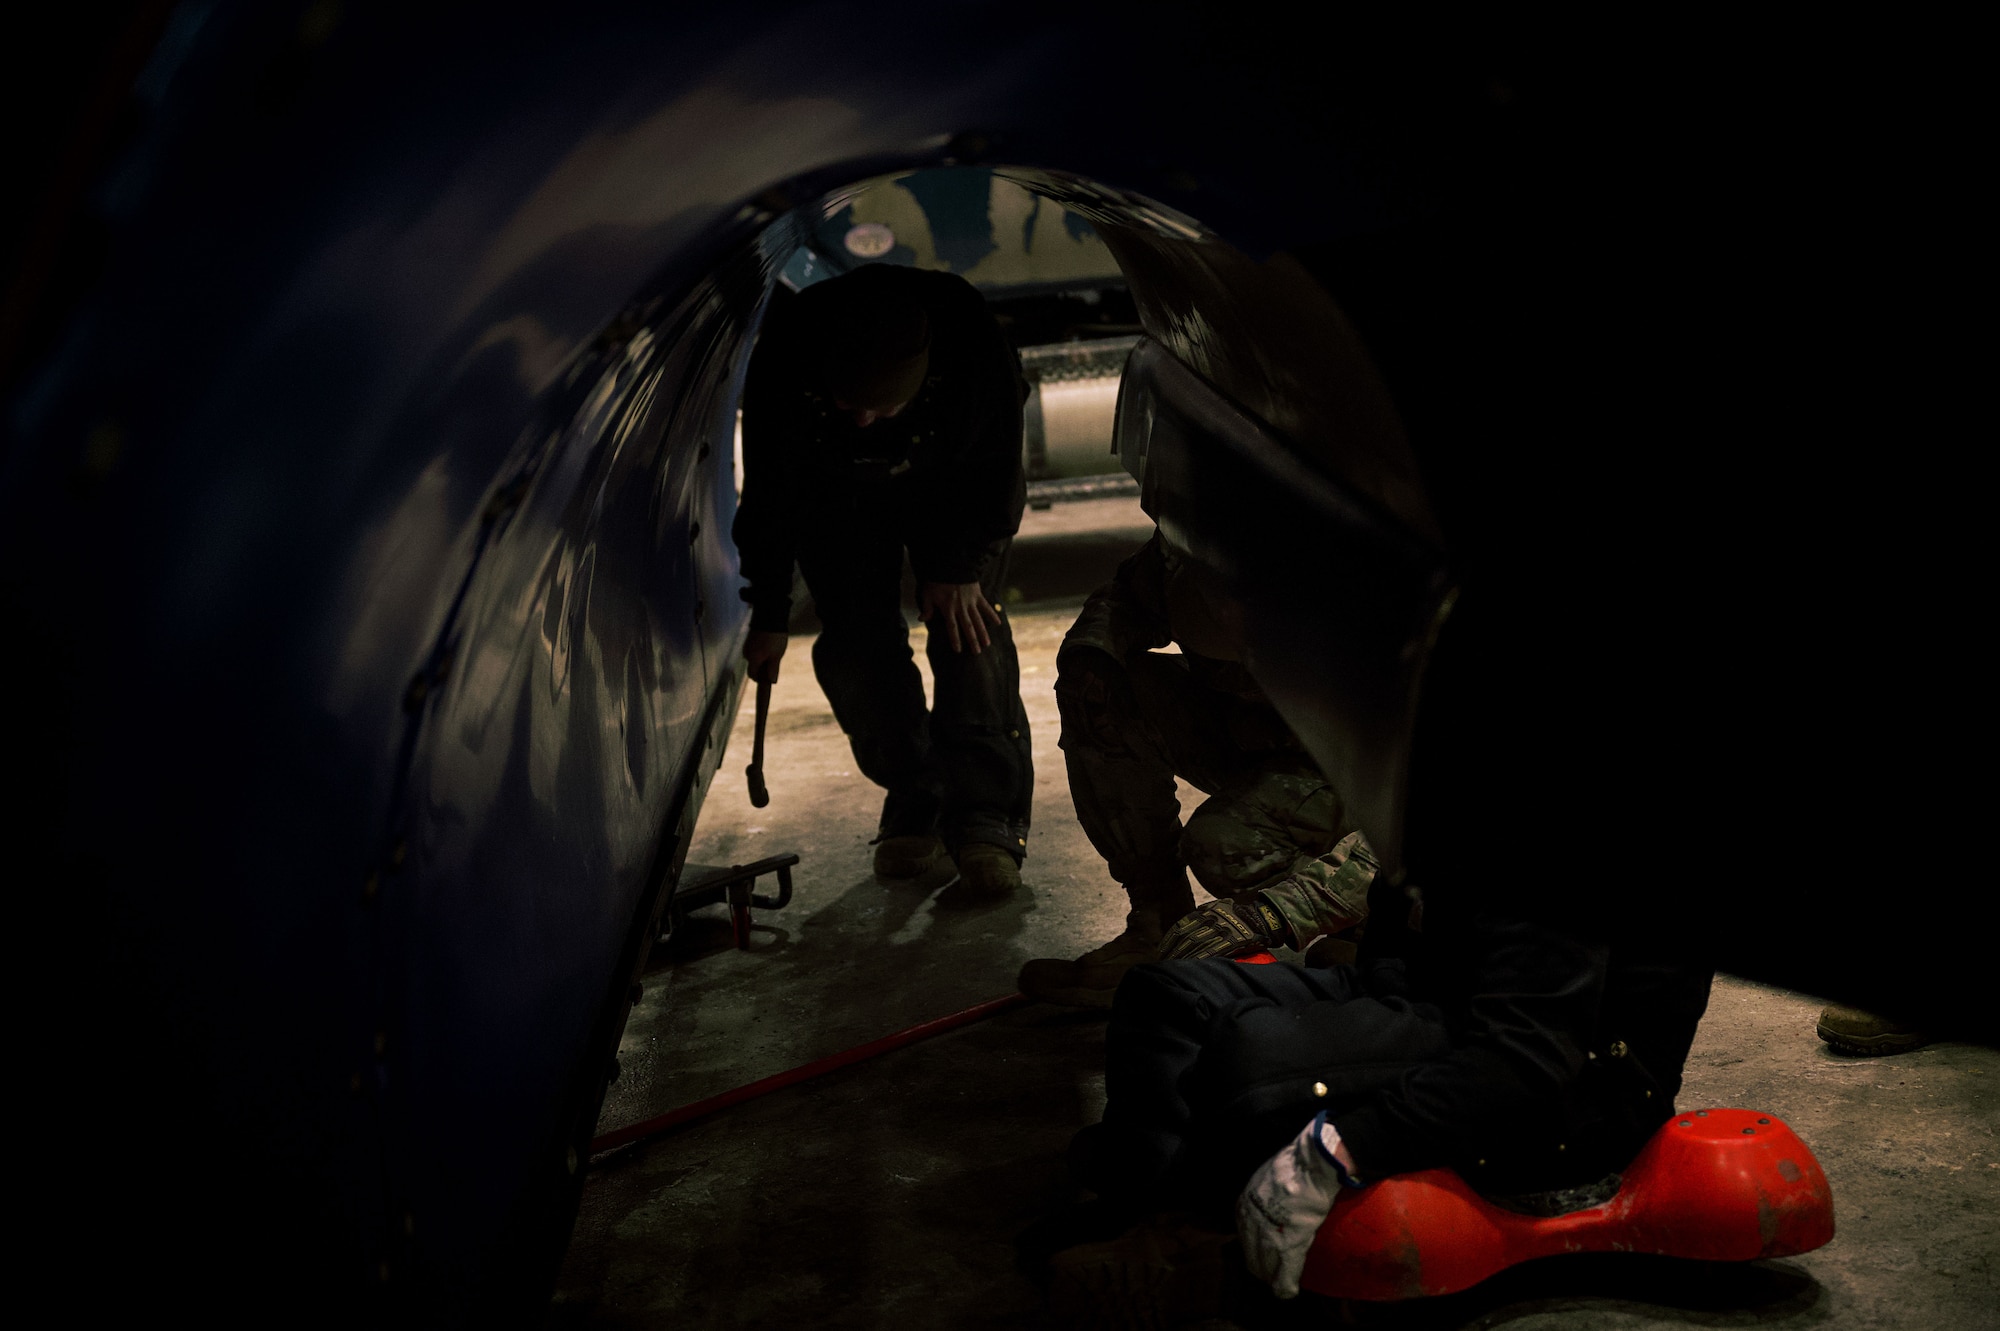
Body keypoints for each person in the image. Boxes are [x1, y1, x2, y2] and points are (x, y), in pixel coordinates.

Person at [1044, 867, 1716, 1322]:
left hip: (1572, 1083)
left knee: (1254, 1057)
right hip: (1452, 992)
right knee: (1166, 995)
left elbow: (1530, 1052)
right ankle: (1155, 1210)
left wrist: (1338, 1147)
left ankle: (1214, 1261)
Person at [732, 263, 1033, 893]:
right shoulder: (786, 357)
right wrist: (768, 612)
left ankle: (982, 812)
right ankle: (915, 789)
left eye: (882, 405)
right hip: (833, 493)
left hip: (949, 486)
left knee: (965, 627)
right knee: (855, 644)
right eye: (849, 403)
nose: (865, 420)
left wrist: (958, 569)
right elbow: (769, 494)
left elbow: (998, 469)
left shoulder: (972, 347)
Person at [1017, 531, 1351, 1007]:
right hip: (1264, 735)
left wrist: (1275, 915)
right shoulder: (1209, 522)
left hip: (1369, 781)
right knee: (1100, 685)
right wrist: (1093, 651)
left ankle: (1385, 929)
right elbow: (1126, 597)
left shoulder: (1374, 557)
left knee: (1227, 844)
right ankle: (1158, 930)